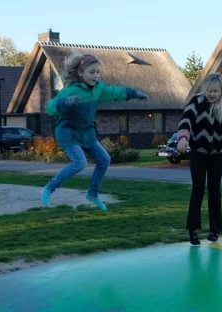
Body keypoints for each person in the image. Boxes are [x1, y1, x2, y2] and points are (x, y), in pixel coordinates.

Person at [41, 53, 148, 211]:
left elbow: (114, 92)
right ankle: (49, 188)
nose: (96, 75)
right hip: (69, 133)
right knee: (79, 163)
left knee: (104, 160)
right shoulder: (70, 90)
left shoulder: (98, 89)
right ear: (80, 73)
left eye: (98, 72)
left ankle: (92, 194)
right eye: (92, 72)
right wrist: (65, 102)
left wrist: (134, 94)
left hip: (87, 133)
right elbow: (50, 107)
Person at [176, 73, 222, 245]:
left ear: (221, 90)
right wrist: (183, 138)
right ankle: (192, 230)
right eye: (209, 90)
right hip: (198, 153)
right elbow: (185, 121)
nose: (212, 94)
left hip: (217, 154)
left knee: (215, 191)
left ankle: (215, 229)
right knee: (197, 190)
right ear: (204, 89)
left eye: (215, 90)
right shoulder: (196, 102)